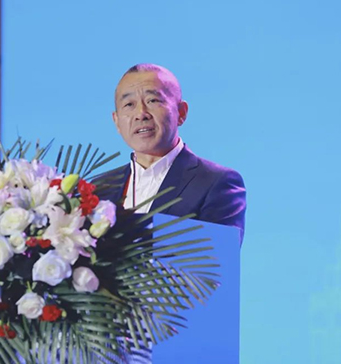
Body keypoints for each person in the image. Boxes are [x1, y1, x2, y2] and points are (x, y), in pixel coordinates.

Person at [104, 63, 247, 242]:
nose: (141, 114)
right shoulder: (100, 190)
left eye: (152, 101)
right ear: (116, 121)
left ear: (181, 113)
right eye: (129, 104)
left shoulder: (215, 182)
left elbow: (216, 255)